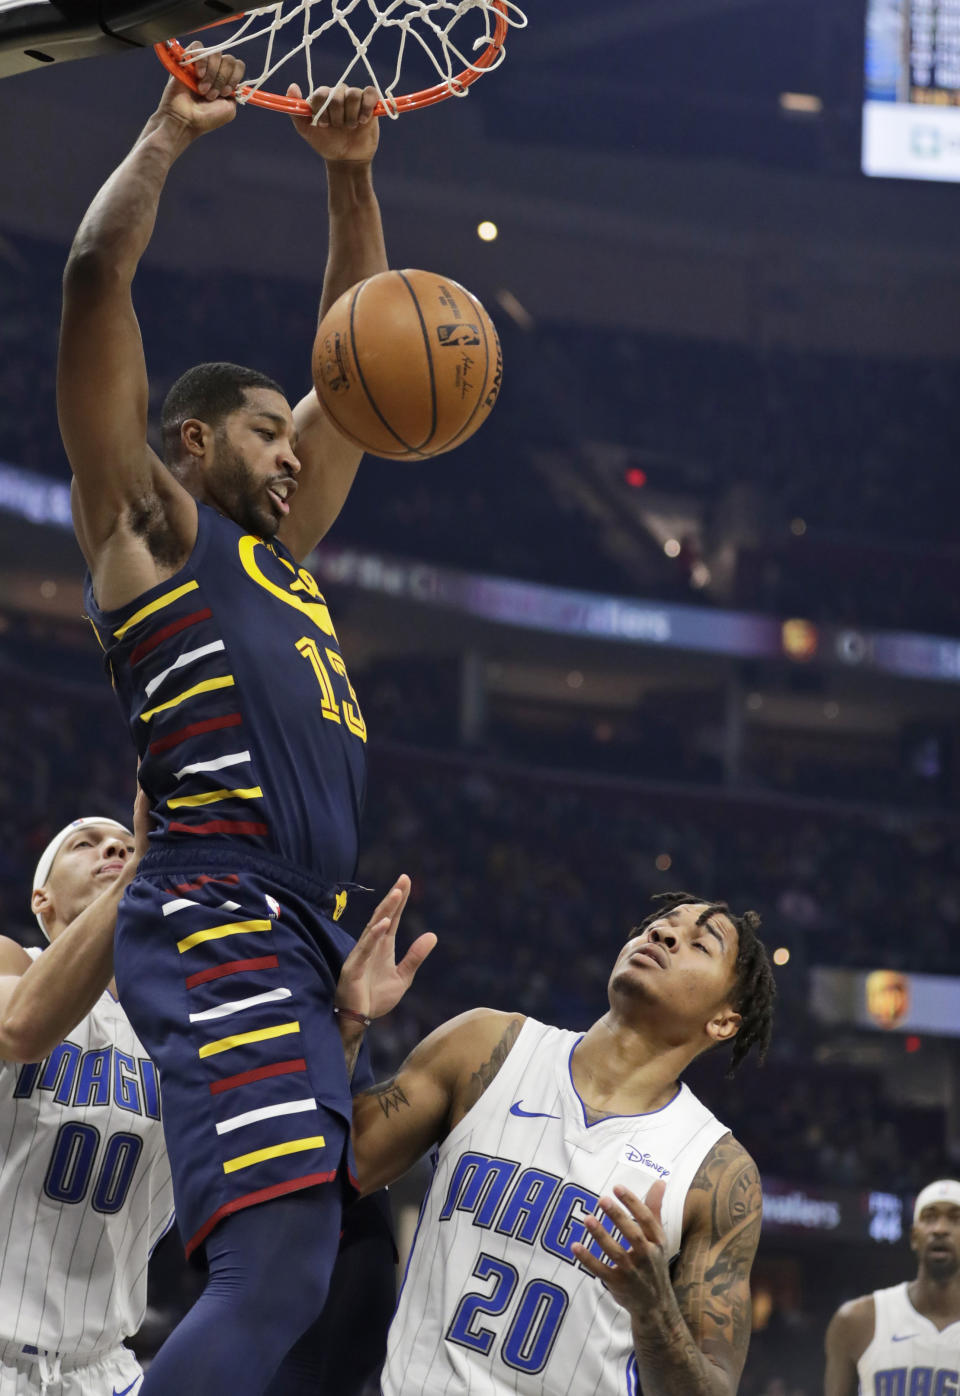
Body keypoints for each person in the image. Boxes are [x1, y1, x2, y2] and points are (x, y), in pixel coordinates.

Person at [56, 51, 414, 1396]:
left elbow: (364, 366)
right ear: (191, 446)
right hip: (220, 908)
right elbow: (95, 279)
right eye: (269, 432)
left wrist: (351, 177)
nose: (295, 449)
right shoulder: (152, 533)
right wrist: (164, 135)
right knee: (273, 1269)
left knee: (302, 1268)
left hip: (296, 934)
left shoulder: (285, 564)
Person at [336, 885, 776, 1395]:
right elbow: (330, 1175)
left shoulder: (716, 1172)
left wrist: (655, 1314)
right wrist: (349, 1027)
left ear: (724, 1021)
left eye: (701, 944)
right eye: (663, 923)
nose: (665, 934)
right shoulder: (486, 1047)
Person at [0, 799, 176, 1396]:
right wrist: (137, 875)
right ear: (40, 900)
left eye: (127, 844)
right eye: (85, 843)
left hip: (103, 1370)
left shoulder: (188, 1032)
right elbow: (19, 1030)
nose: (115, 849)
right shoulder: (11, 963)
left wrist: (347, 1021)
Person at [824, 1178, 960, 1396]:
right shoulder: (856, 1321)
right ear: (914, 1236)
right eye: (930, 1217)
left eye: (955, 1218)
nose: (940, 1229)